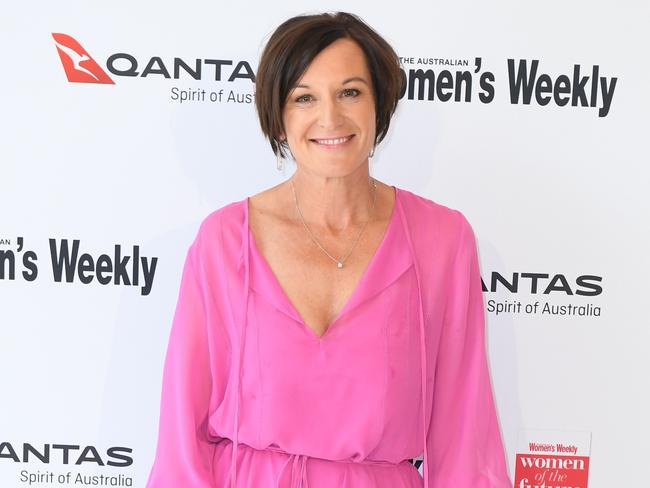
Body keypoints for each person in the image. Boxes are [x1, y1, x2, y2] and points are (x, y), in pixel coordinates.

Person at [146, 11, 511, 488]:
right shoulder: (224, 240)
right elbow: (181, 435)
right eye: (304, 98)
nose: (330, 118)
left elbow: (466, 434)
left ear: (379, 104)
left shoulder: (442, 240)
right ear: (278, 118)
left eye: (350, 92)